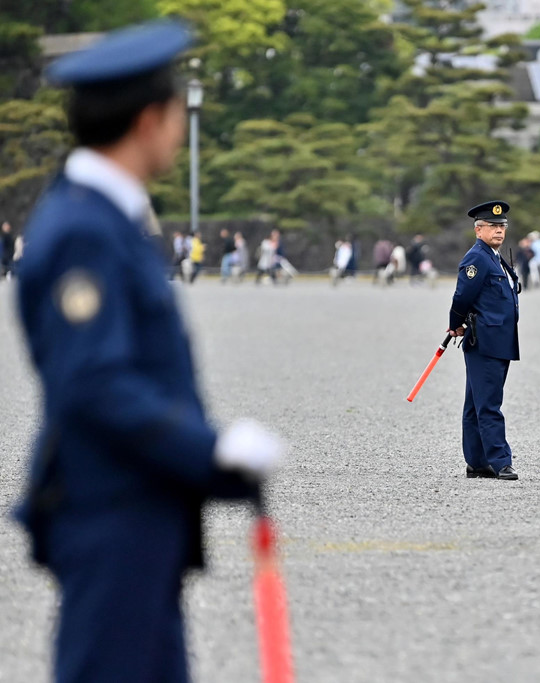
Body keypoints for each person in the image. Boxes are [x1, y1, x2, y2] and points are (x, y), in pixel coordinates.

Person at [13, 21, 286, 682]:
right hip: (111, 505)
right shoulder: (85, 229)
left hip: (133, 502)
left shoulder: (101, 214)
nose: (180, 129)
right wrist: (210, 450)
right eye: (176, 112)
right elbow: (94, 382)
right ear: (148, 120)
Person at [447, 200, 520, 481]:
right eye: (492, 226)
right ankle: (501, 461)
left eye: (502, 226)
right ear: (478, 230)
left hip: (498, 339)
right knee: (489, 404)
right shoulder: (477, 258)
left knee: (476, 403)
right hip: (485, 340)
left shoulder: (494, 256)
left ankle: (477, 462)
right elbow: (462, 296)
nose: (499, 230)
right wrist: (455, 324)